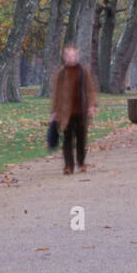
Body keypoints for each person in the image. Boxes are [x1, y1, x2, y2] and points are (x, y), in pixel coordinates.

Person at [50, 45, 97, 175]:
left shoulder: (83, 71)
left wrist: (92, 105)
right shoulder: (61, 73)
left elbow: (90, 89)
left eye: (74, 55)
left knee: (81, 139)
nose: (71, 58)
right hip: (66, 112)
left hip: (81, 110)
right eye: (68, 56)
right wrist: (54, 111)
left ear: (77, 56)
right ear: (64, 57)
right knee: (67, 139)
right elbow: (56, 93)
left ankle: (81, 163)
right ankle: (68, 166)